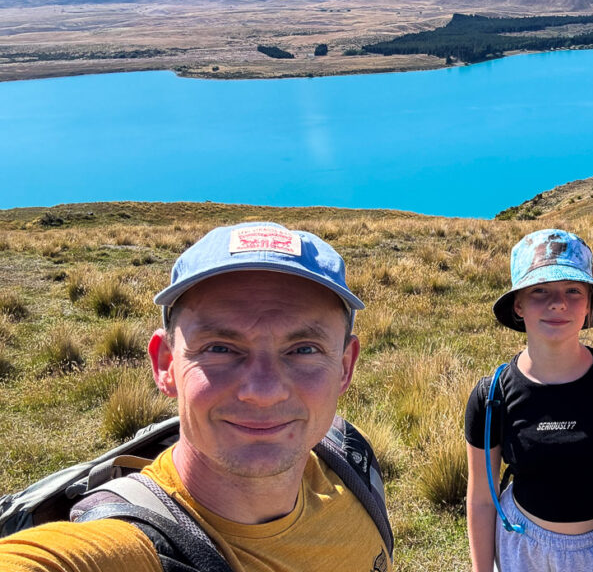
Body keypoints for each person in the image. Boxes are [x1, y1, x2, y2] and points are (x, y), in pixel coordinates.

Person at [0, 222, 392, 572]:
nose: (262, 391)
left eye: (304, 349)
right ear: (165, 364)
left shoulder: (349, 458)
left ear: (345, 367)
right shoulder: (129, 547)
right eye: (220, 348)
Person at [464, 229, 593, 572]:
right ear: (518, 304)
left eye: (572, 290)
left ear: (589, 302)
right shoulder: (491, 396)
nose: (557, 302)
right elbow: (482, 498)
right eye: (539, 290)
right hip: (521, 549)